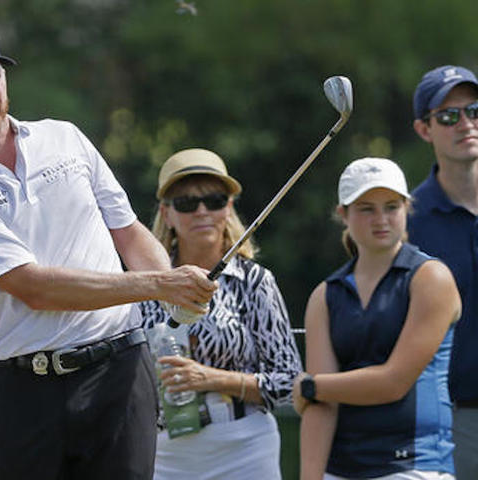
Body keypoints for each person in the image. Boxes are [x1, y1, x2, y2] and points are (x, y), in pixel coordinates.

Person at [0, 24, 217, 479]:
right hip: (24, 392)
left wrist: (178, 294)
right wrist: (159, 284)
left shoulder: (66, 138)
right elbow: (33, 287)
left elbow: (128, 233)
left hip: (120, 374)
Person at [293, 157, 461, 480]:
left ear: (407, 208)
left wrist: (312, 386)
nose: (381, 219)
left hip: (415, 465)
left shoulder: (431, 278)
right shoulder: (325, 296)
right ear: (343, 214)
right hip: (340, 468)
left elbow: (394, 382)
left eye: (391, 206)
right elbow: (320, 407)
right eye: (366, 208)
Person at [139, 148, 302, 479]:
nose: (202, 211)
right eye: (186, 203)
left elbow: (288, 382)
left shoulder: (256, 282)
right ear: (166, 214)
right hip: (164, 453)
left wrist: (210, 378)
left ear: (228, 208)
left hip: (246, 447)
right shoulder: (143, 284)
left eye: (213, 200)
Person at [410, 65, 478, 480]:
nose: (466, 124)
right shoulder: (408, 221)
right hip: (450, 422)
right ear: (424, 130)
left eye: (474, 111)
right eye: (449, 116)